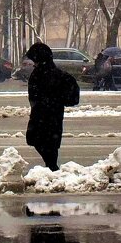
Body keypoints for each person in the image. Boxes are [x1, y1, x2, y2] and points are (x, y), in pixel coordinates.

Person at [24, 41, 80, 170]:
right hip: (53, 115)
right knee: (50, 145)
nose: (34, 63)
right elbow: (72, 98)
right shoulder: (60, 75)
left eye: (34, 60)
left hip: (42, 115)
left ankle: (52, 169)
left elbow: (34, 96)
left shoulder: (39, 74)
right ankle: (52, 167)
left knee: (41, 143)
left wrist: (46, 102)